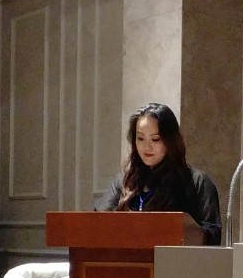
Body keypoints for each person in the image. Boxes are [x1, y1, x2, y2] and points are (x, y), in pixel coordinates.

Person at [95, 102, 223, 245]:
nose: (147, 147)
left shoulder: (197, 182)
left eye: (155, 139)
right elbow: (95, 224)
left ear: (170, 141)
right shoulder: (124, 181)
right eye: (140, 138)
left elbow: (212, 237)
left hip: (174, 258)